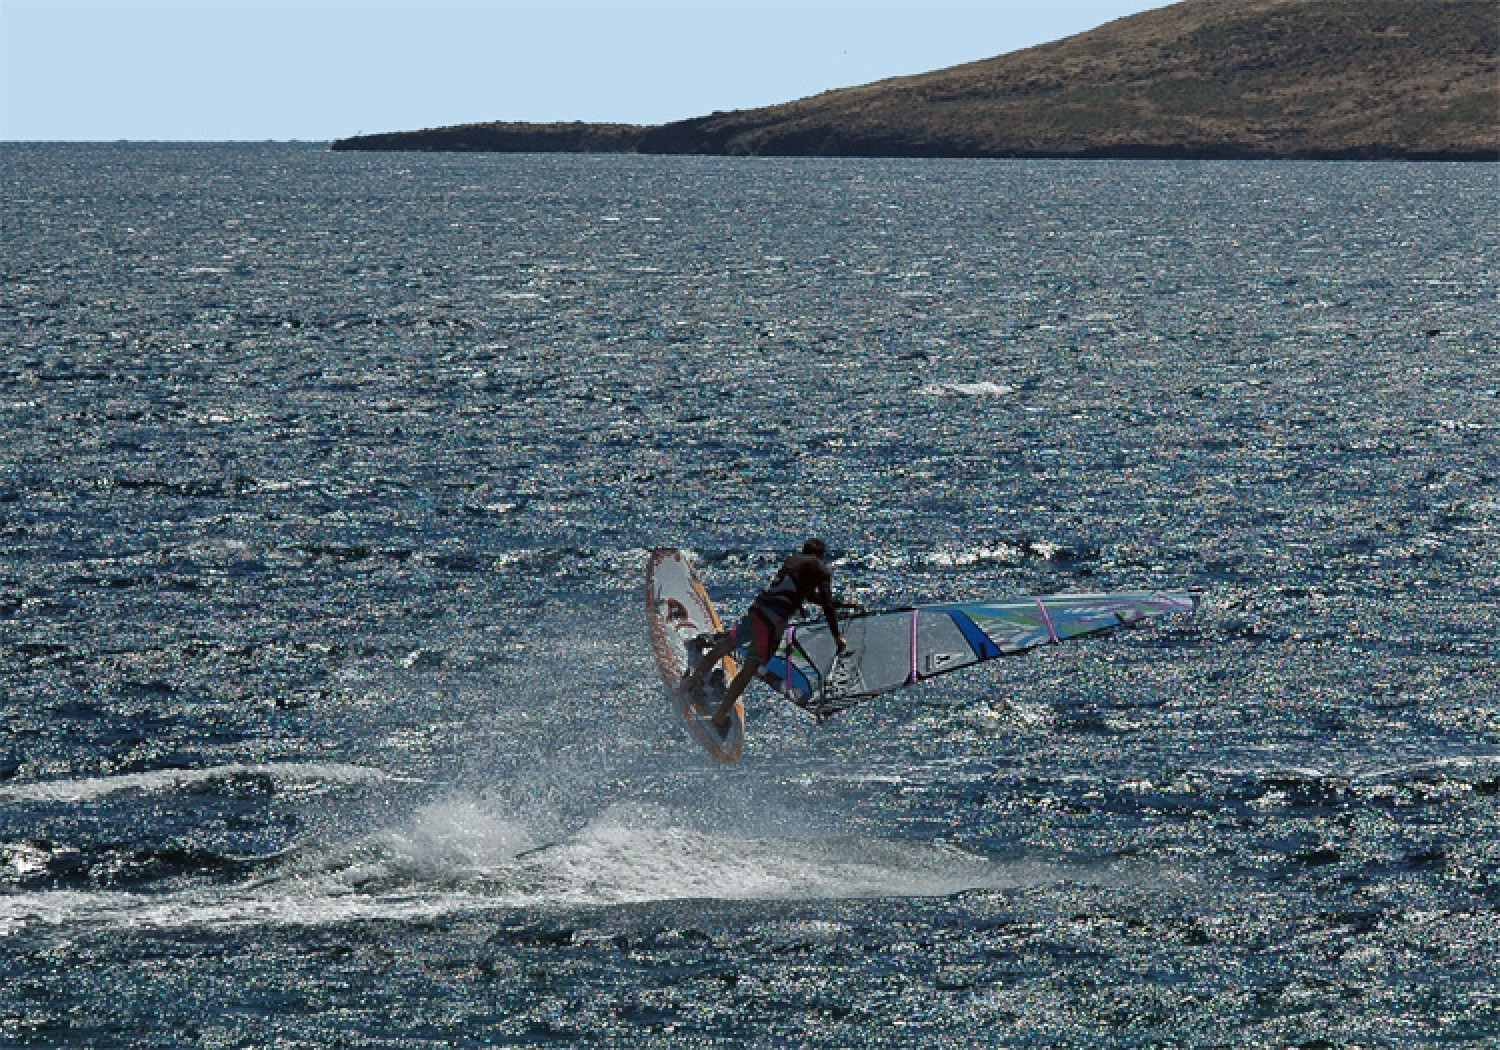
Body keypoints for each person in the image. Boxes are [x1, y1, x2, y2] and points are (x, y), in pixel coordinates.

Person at [682, 538, 851, 735]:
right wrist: (837, 637)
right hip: (771, 623)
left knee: (725, 645)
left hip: (758, 611)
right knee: (750, 668)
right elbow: (826, 603)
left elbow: (810, 596)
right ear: (821, 556)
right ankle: (719, 716)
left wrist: (841, 605)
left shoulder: (793, 561)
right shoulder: (820, 568)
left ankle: (690, 682)